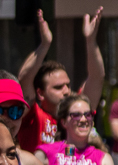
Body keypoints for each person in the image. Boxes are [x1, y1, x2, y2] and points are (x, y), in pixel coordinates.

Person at [16, 8, 105, 152]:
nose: (66, 91)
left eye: (67, 85)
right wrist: (45, 44)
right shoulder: (33, 116)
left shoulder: (77, 114)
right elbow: (24, 79)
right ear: (40, 93)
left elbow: (97, 78)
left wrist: (90, 41)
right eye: (58, 87)